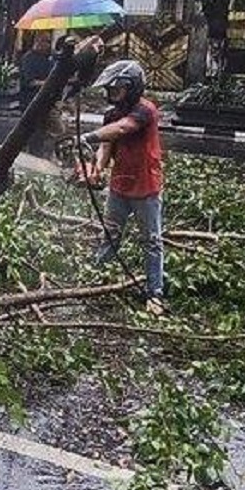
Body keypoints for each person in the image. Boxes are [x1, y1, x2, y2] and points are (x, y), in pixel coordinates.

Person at [77, 60, 167, 316]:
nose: (112, 95)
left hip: (146, 187)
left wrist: (87, 136)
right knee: (110, 234)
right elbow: (108, 145)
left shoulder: (145, 110)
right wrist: (96, 170)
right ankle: (95, 277)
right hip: (119, 185)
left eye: (116, 90)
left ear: (132, 87)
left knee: (151, 241)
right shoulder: (111, 114)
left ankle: (155, 293)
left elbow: (123, 128)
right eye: (110, 91)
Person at [19, 32, 54, 110]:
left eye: (49, 42)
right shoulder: (28, 58)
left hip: (46, 100)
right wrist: (48, 83)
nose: (47, 45)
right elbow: (30, 82)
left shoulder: (49, 58)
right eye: (45, 41)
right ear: (37, 41)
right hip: (30, 101)